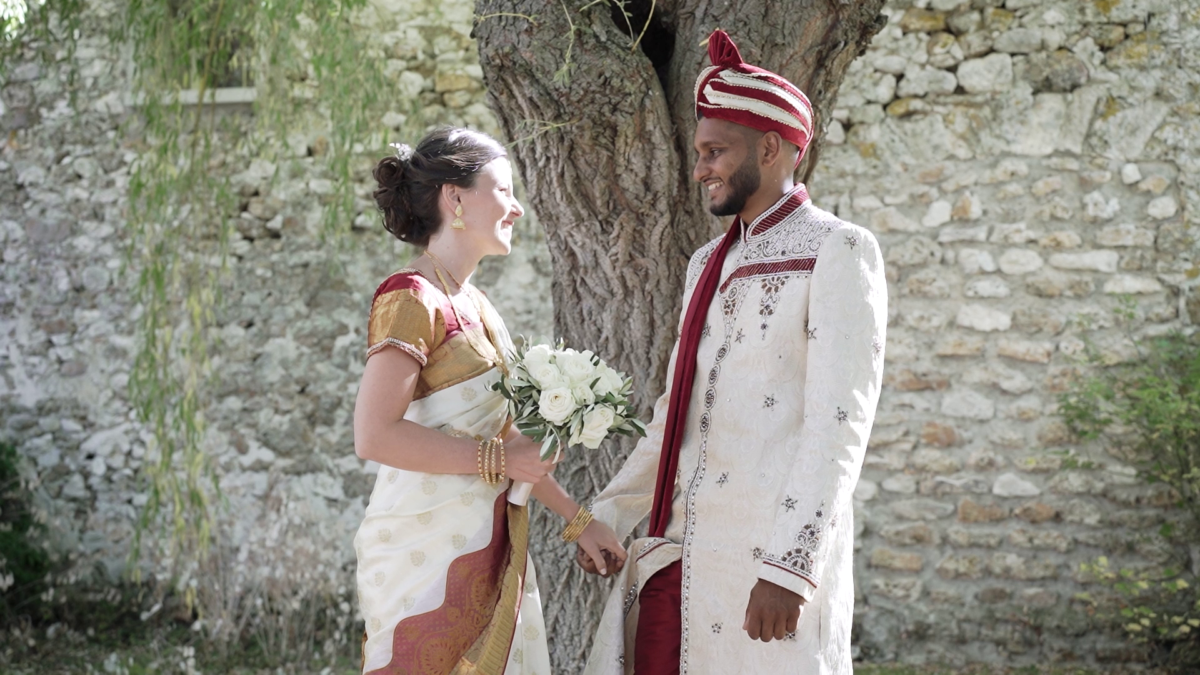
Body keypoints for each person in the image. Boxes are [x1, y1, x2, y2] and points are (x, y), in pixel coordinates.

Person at [579, 31, 888, 675]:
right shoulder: (705, 263)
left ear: (771, 148)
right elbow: (675, 412)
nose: (700, 170)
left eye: (715, 151)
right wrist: (609, 512)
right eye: (699, 153)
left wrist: (791, 569)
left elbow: (840, 426)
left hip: (765, 571)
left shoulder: (839, 249)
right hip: (681, 562)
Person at [353, 127, 626, 675]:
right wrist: (501, 461)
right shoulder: (411, 297)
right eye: (503, 190)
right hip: (424, 552)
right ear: (455, 199)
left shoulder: (477, 306)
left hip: (490, 540)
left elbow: (506, 442)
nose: (518, 208)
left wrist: (578, 520)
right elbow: (374, 435)